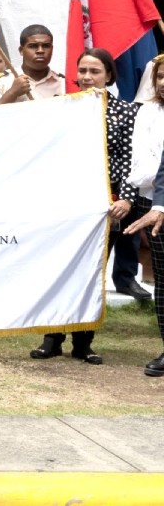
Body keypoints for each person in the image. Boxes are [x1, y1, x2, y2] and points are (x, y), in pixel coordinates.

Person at [31, 49, 137, 365]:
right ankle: (52, 339)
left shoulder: (126, 112)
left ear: (109, 75)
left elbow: (134, 160)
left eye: (95, 71)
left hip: (107, 206)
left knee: (92, 272)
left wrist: (126, 197)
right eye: (83, 70)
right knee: (60, 269)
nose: (88, 77)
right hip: (66, 203)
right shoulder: (62, 109)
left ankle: (83, 342)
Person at [124, 59, 164, 378]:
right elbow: (141, 172)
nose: (163, 82)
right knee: (163, 282)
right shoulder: (147, 113)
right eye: (160, 77)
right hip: (156, 207)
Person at [0, 25, 63, 105]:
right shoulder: (0, 82)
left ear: (52, 49)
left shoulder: (63, 82)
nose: (40, 51)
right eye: (33, 46)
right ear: (21, 50)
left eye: (46, 46)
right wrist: (12, 93)